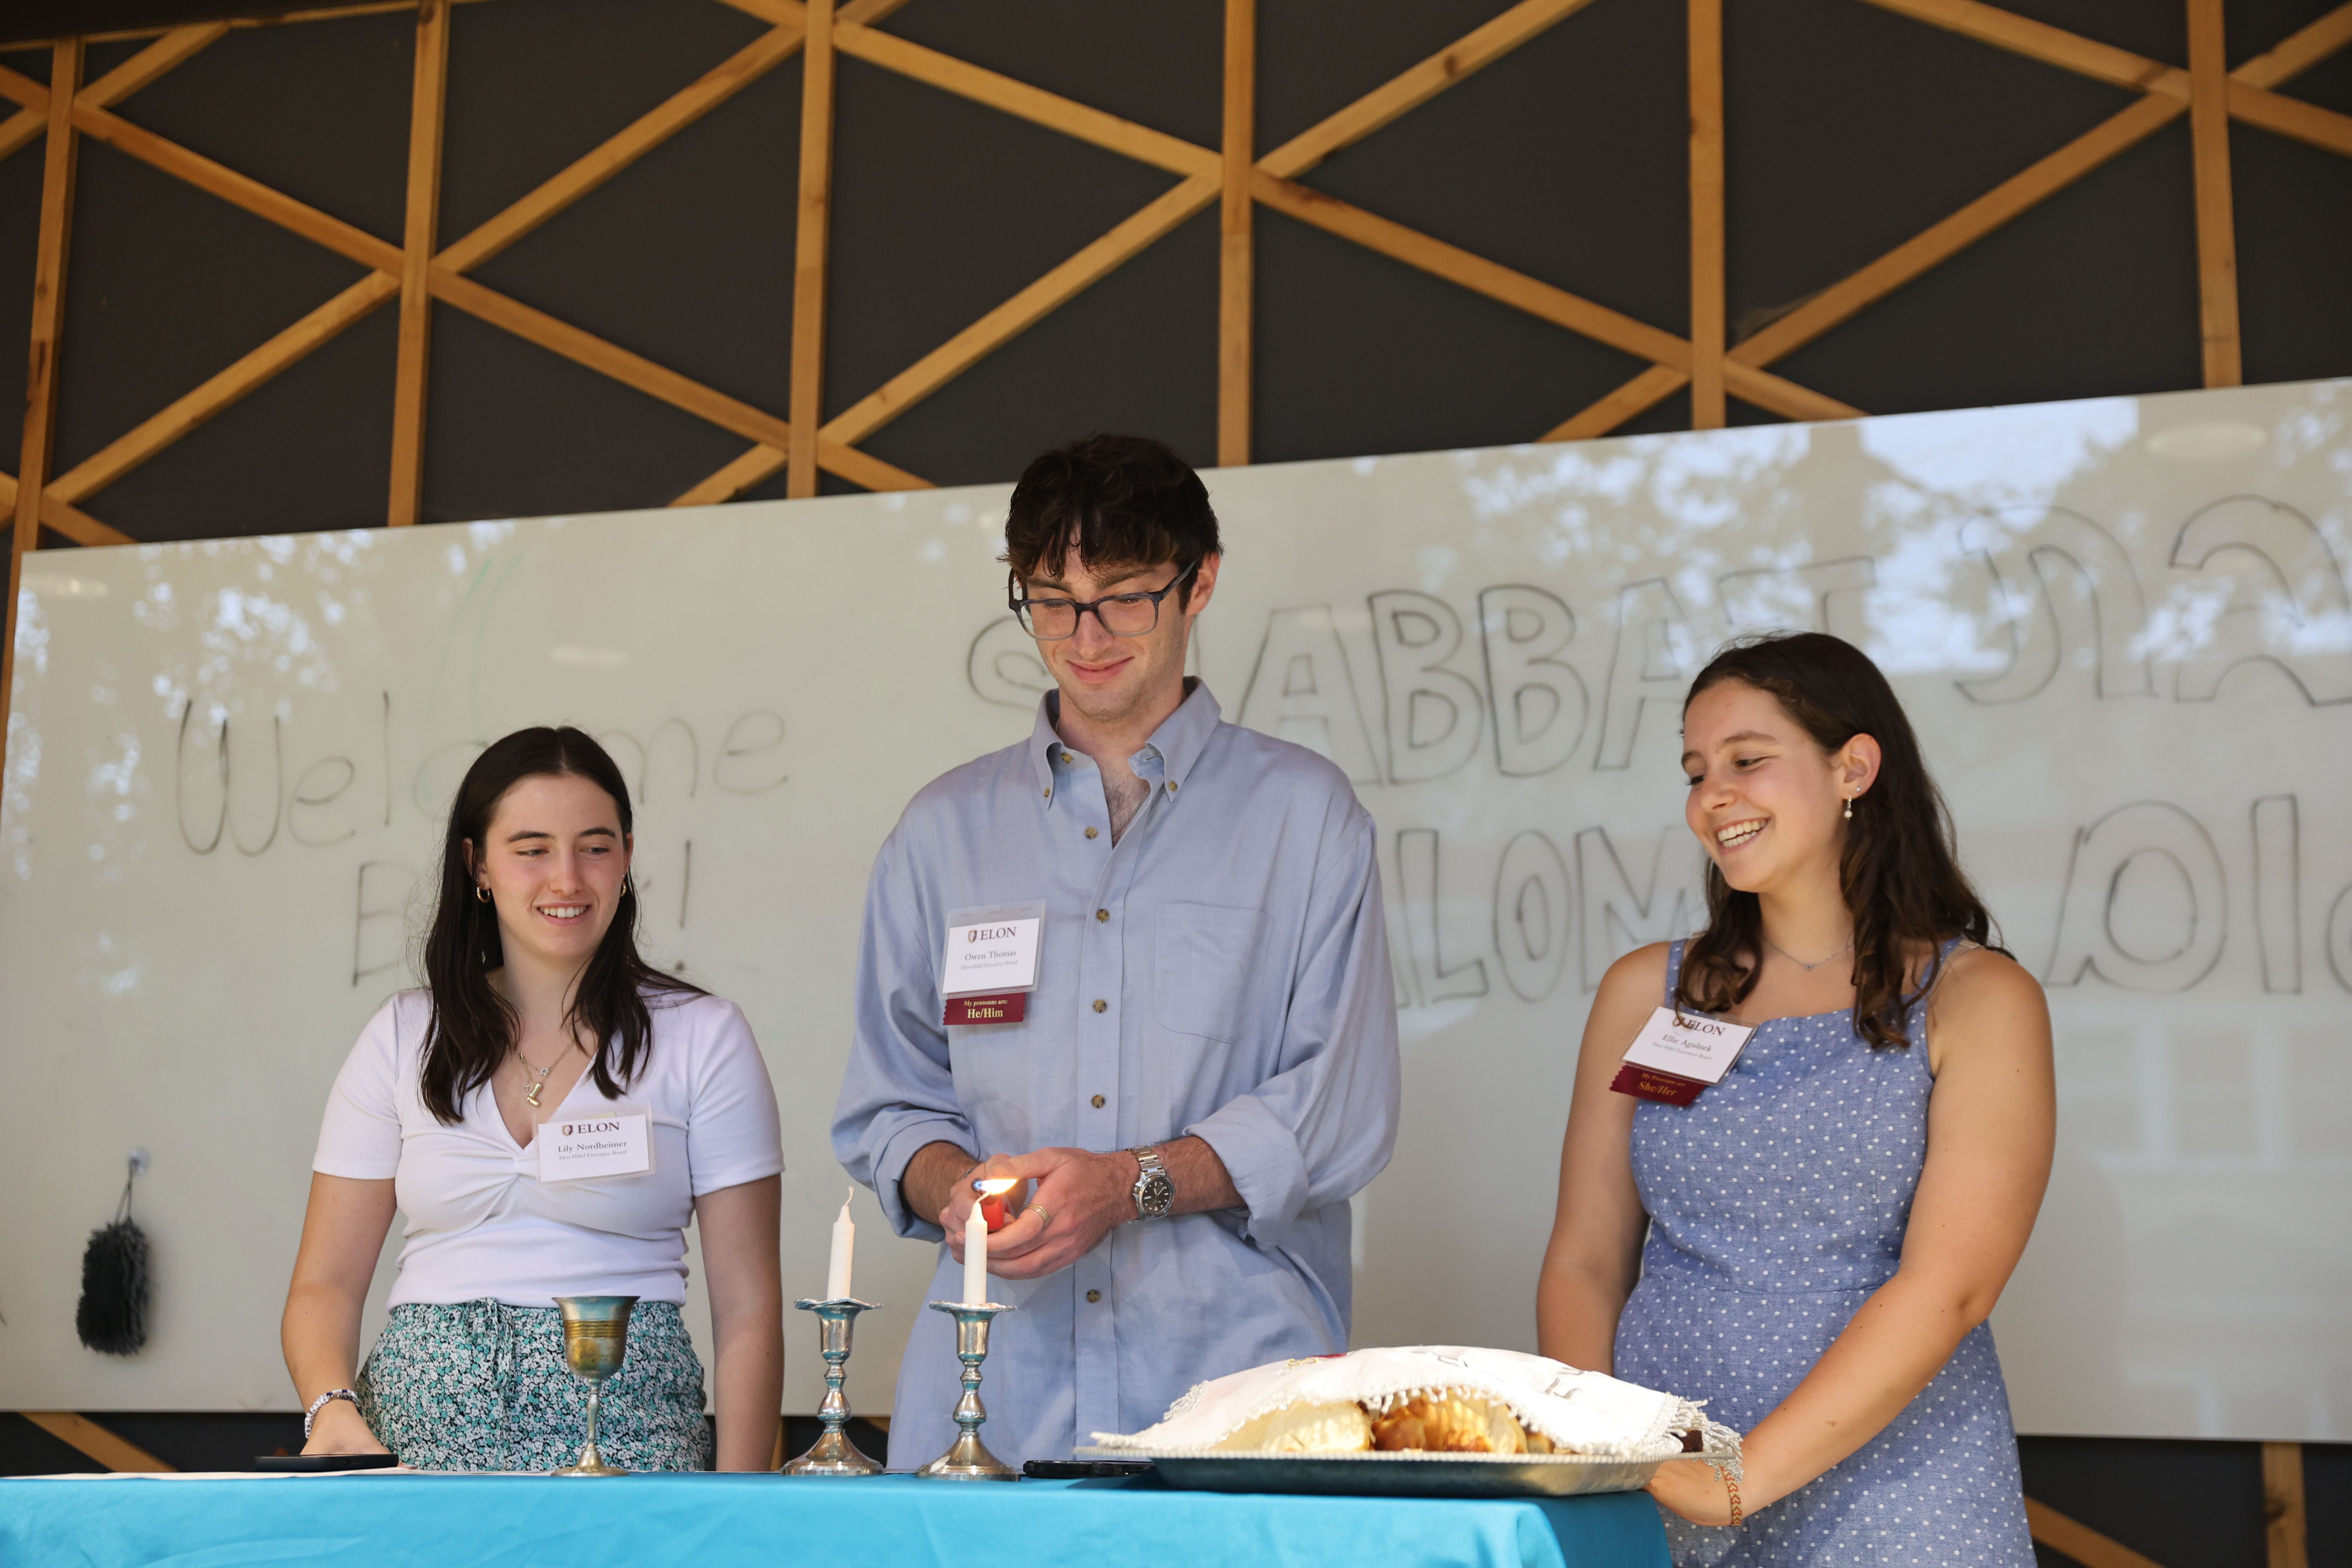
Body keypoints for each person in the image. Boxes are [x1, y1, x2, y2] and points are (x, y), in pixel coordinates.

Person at [832, 433, 1401, 1465]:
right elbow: (890, 1105)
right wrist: (953, 1185)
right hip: (988, 1400)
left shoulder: (1306, 817)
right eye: (1051, 599)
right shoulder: (941, 831)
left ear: (1201, 584)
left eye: (1125, 595)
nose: (1085, 635)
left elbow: (1340, 1112)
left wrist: (1127, 1183)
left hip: (1243, 1404)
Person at [1537, 632, 2052, 1564]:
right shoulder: (1646, 992)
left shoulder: (1979, 998)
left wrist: (1739, 1478)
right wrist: (1608, 1449)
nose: (1711, 797)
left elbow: (1952, 1284)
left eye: (1746, 761)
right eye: (1696, 772)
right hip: (1661, 1478)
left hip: (1892, 1491)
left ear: (1853, 766)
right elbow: (1584, 1259)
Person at [282, 727, 784, 1471]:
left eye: (594, 845)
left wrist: (742, 1507)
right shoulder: (403, 1033)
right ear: (476, 864)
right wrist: (332, 1411)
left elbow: (748, 1311)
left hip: (630, 1440)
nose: (568, 879)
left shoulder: (703, 1036)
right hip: (416, 1442)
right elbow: (324, 1286)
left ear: (628, 856)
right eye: (532, 849)